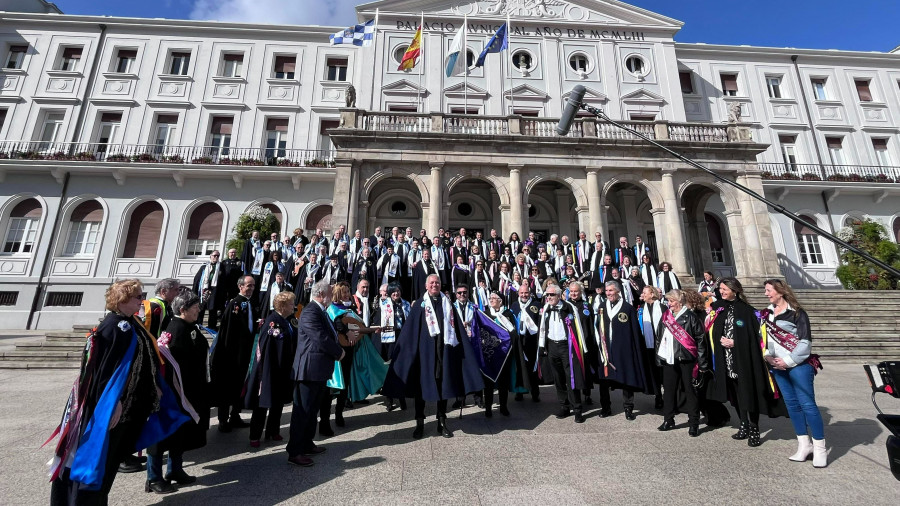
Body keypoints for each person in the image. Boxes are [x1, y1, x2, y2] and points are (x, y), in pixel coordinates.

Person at [49, 280, 187, 505]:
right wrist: (114, 402)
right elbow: (105, 372)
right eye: (137, 296)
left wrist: (155, 388)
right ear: (122, 300)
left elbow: (143, 361)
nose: (142, 300)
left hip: (130, 409)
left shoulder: (130, 322)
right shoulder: (114, 326)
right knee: (101, 463)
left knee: (110, 463)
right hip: (114, 412)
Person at [385, 274, 484, 439]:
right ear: (426, 286)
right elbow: (410, 333)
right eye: (431, 283)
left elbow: (457, 330)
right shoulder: (420, 306)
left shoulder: (448, 305)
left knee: (442, 388)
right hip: (424, 357)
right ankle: (419, 422)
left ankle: (442, 422)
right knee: (421, 390)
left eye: (437, 282)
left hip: (443, 353)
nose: (434, 285)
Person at [706, 277, 785, 447]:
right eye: (720, 289)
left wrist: (735, 343)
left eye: (724, 289)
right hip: (725, 360)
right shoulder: (719, 309)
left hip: (743, 360)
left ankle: (754, 427)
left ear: (735, 290)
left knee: (748, 393)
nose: (721, 292)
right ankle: (744, 424)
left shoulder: (747, 311)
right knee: (735, 394)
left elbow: (755, 337)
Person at [147, 291, 210, 493]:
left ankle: (175, 470)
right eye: (195, 307)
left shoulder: (188, 326)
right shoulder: (175, 329)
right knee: (161, 436)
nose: (198, 310)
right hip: (173, 394)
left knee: (180, 434)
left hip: (187, 391)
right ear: (183, 310)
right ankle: (153, 477)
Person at [761, 279, 826, 467]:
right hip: (777, 366)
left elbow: (805, 343)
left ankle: (820, 448)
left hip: (799, 365)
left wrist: (788, 361)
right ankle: (804, 445)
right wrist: (769, 357)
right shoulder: (767, 314)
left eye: (769, 290)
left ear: (780, 292)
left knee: (808, 405)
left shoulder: (797, 313)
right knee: (792, 405)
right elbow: (764, 339)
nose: (766, 294)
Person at [286, 280, 349, 467]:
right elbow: (320, 337)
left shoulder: (321, 311)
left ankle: (307, 443)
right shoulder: (310, 312)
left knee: (312, 409)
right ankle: (295, 451)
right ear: (321, 294)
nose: (332, 295)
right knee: (302, 410)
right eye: (330, 292)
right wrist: (339, 352)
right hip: (308, 369)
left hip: (319, 370)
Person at [244, 291, 298, 448]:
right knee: (263, 402)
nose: (293, 306)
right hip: (270, 369)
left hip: (285, 367)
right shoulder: (272, 321)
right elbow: (264, 348)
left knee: (279, 401)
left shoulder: (290, 320)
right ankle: (255, 435)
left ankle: (273, 430)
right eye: (290, 304)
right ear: (282, 306)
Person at [655, 289, 709, 437]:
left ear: (679, 302)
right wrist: (659, 357)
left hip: (687, 359)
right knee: (669, 391)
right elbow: (659, 337)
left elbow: (700, 341)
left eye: (671, 301)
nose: (669, 304)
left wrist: (703, 363)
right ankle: (668, 419)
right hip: (669, 360)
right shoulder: (666, 316)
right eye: (668, 301)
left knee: (690, 392)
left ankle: (693, 423)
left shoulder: (691, 317)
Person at [596, 281, 653, 420]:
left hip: (624, 349)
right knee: (604, 379)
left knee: (626, 379)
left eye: (611, 290)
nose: (608, 293)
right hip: (606, 349)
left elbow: (635, 331)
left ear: (618, 291)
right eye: (607, 291)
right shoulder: (602, 307)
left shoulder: (627, 308)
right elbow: (598, 327)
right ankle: (606, 407)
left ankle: (628, 408)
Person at [211, 276, 258, 433]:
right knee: (227, 386)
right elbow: (228, 331)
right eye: (248, 286)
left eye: (253, 286)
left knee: (240, 384)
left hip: (245, 352)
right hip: (231, 354)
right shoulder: (234, 304)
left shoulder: (251, 303)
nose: (251, 288)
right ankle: (223, 420)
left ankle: (235, 415)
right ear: (240, 286)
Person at [537, 283, 589, 424]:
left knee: (571, 378)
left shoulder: (568, 307)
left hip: (567, 347)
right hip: (552, 346)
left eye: (552, 294)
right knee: (558, 378)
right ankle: (563, 406)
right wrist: (542, 346)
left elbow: (578, 327)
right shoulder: (546, 308)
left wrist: (581, 347)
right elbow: (542, 328)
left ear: (559, 295)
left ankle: (577, 409)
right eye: (547, 294)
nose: (549, 297)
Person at [482, 291, 519, 417]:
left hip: (504, 354)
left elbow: (513, 332)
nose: (491, 300)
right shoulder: (485, 314)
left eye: (494, 298)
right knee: (489, 383)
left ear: (500, 301)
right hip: (490, 354)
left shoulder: (508, 314)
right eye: (490, 298)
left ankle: (503, 406)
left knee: (504, 382)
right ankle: (488, 407)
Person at [374, 283, 410, 411]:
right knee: (390, 370)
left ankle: (401, 397)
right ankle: (389, 398)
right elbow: (378, 323)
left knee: (401, 369)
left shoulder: (406, 304)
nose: (396, 293)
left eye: (398, 291)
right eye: (393, 292)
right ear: (389, 293)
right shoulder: (383, 305)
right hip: (389, 340)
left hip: (403, 338)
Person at [509, 282, 543, 401]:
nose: (524, 295)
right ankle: (520, 391)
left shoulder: (537, 305)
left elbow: (541, 323)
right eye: (522, 293)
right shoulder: (514, 306)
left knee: (532, 367)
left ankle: (535, 392)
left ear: (530, 293)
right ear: (518, 293)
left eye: (526, 292)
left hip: (532, 341)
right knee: (519, 366)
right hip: (519, 341)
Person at [638, 286, 665, 409]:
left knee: (664, 373)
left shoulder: (663, 308)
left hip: (663, 346)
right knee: (654, 373)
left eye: (645, 293)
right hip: (649, 346)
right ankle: (658, 396)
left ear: (652, 294)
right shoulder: (642, 309)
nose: (642, 295)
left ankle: (669, 397)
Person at [193, 251, 226, 329]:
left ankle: (211, 326)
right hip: (204, 289)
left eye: (218, 256)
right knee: (201, 307)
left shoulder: (221, 267)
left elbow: (224, 281)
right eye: (214, 255)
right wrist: (195, 290)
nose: (216, 257)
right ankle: (198, 324)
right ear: (210, 256)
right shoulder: (204, 266)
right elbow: (197, 279)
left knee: (213, 309)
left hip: (215, 290)